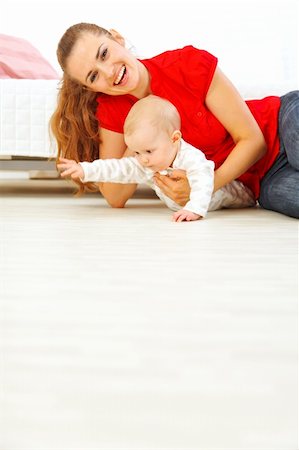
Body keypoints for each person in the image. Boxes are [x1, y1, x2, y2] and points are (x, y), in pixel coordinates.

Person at [50, 23, 299, 219]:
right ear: (89, 87)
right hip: (263, 181)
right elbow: (115, 196)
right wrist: (138, 130)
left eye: (104, 54)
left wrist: (202, 188)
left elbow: (254, 141)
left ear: (117, 38)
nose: (109, 72)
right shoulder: (112, 111)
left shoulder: (187, 64)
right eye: (93, 76)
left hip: (281, 120)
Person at [57, 95, 256, 222]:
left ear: (174, 138)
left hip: (223, 194)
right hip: (184, 205)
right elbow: (117, 168)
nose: (142, 159)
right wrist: (85, 170)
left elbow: (204, 180)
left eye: (149, 151)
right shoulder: (146, 164)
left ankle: (251, 197)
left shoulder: (190, 157)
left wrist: (195, 209)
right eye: (136, 152)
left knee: (239, 196)